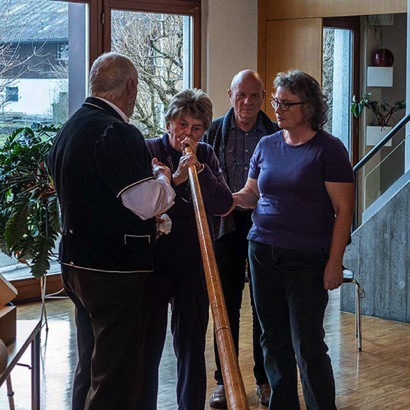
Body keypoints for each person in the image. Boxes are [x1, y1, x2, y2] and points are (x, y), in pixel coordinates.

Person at [47, 52, 176, 410]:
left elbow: (92, 196)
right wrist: (163, 177)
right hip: (113, 270)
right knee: (114, 377)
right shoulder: (116, 131)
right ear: (131, 87)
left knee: (90, 365)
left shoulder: (69, 128)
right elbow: (147, 202)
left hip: (75, 264)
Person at [231, 69, 355, 409]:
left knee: (307, 344)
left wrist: (335, 262)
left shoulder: (329, 149)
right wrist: (225, 199)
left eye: (286, 103)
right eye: (276, 102)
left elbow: (344, 210)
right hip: (261, 252)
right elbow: (251, 194)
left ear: (308, 107)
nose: (278, 109)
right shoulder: (266, 145)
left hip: (307, 259)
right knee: (273, 341)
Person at [144, 88, 233, 410]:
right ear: (169, 122)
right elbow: (142, 205)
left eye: (196, 128)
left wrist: (200, 170)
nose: (187, 134)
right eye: (182, 124)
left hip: (193, 263)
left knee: (192, 346)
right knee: (148, 347)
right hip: (152, 263)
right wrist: (177, 180)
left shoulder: (205, 154)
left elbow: (223, 204)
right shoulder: (149, 150)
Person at [203, 69, 279, 408]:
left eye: (254, 95)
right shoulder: (213, 132)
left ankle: (264, 379)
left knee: (264, 306)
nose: (247, 102)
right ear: (230, 95)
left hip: (265, 226)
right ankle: (225, 380)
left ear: (263, 98)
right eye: (241, 95)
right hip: (225, 226)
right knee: (226, 305)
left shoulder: (275, 133)